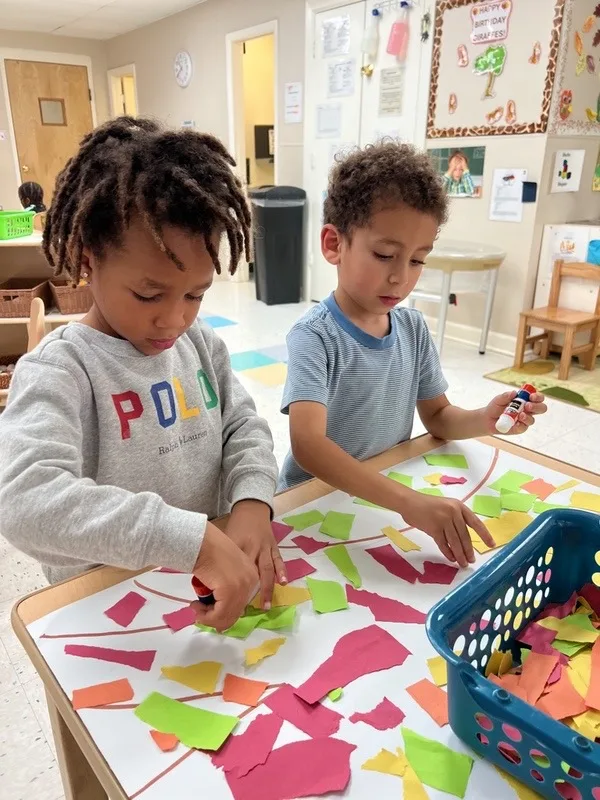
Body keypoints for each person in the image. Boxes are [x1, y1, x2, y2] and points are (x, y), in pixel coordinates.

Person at [0, 117, 285, 632]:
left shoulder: (198, 344)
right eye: (149, 295)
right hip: (107, 614)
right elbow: (23, 500)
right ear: (88, 262)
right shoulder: (61, 370)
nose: (174, 320)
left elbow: (244, 427)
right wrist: (189, 539)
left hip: (202, 598)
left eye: (195, 295)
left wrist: (250, 502)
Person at [279, 142, 547, 568]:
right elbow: (308, 445)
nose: (400, 276)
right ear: (334, 244)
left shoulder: (413, 328)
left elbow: (437, 417)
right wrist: (409, 502)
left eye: (418, 260)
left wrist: (485, 419)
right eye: (385, 254)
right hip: (315, 502)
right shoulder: (315, 336)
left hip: (384, 489)